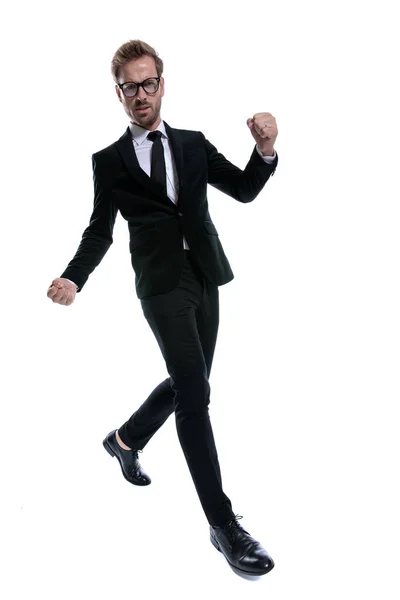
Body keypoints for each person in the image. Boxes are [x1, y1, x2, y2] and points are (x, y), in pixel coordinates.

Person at [47, 39, 279, 576]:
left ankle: (125, 439)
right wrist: (72, 277)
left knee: (189, 382)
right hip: (160, 286)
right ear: (119, 94)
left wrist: (265, 149)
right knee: (195, 394)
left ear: (162, 83)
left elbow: (244, 190)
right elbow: (99, 231)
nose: (140, 94)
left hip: (205, 276)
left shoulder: (194, 144)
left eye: (148, 82)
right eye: (130, 86)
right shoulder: (109, 161)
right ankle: (224, 525)